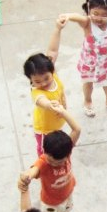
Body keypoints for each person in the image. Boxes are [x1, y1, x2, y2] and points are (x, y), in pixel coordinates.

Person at [18, 116, 81, 212]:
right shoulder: (44, 162)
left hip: (67, 192)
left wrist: (61, 111)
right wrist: (26, 176)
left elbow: (77, 129)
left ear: (68, 153)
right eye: (50, 159)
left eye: (58, 162)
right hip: (52, 203)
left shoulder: (66, 150)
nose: (52, 163)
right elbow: (34, 170)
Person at [23, 17, 78, 156]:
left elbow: (53, 50)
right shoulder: (37, 92)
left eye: (46, 78)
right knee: (44, 153)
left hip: (57, 123)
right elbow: (42, 101)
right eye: (37, 81)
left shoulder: (53, 72)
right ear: (31, 80)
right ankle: (41, 168)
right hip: (45, 129)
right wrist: (50, 105)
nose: (43, 83)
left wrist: (58, 29)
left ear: (51, 70)